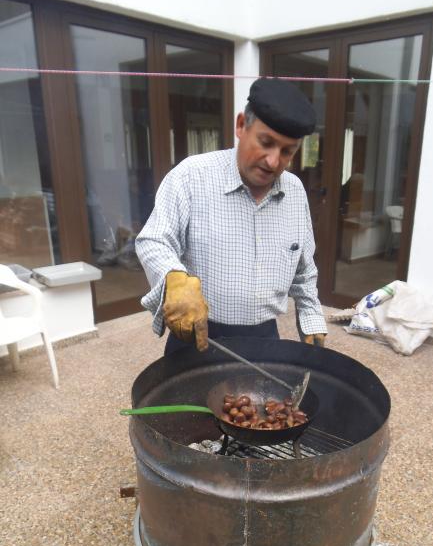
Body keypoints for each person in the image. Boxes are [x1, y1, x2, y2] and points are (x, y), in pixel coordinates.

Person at [135, 77, 327, 355]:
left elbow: (304, 270)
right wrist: (173, 277)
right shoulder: (191, 176)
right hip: (198, 336)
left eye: (287, 151)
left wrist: (311, 320)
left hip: (265, 337)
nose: (273, 161)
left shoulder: (295, 191)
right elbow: (154, 240)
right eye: (265, 142)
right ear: (240, 125)